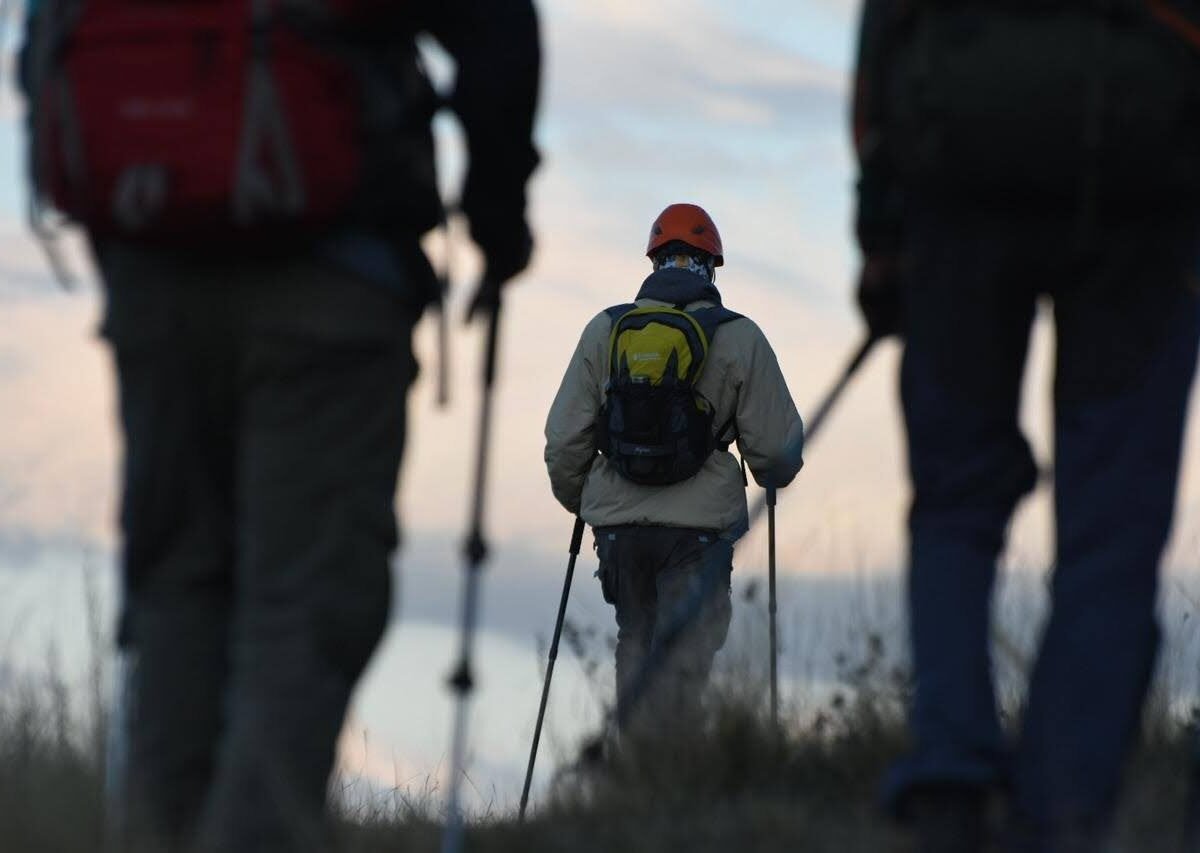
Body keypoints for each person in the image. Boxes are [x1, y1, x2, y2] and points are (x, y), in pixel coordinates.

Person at [19, 2, 540, 850]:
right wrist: (496, 216)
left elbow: (48, 40)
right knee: (302, 596)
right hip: (330, 273)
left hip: (152, 267)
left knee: (175, 581)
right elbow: (494, 28)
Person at [852, 1, 1200, 850]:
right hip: (1145, 182)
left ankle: (952, 772)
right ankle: (1063, 811)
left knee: (954, 501)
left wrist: (881, 232)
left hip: (957, 166)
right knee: (1111, 531)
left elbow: (885, 35)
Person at [544, 203, 804, 726]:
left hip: (620, 531)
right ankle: (673, 775)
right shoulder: (739, 335)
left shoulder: (607, 330)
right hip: (699, 532)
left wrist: (590, 502)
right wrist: (765, 474)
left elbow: (563, 440)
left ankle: (635, 776)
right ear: (712, 263)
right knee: (685, 653)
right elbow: (776, 452)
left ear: (654, 259)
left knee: (635, 641)